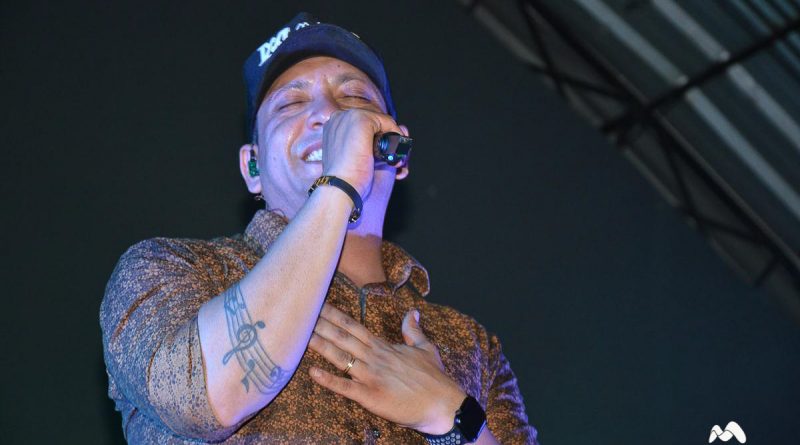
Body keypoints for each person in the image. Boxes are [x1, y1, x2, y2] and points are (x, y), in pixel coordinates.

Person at [100, 12, 539, 444]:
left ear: (399, 151)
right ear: (252, 167)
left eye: (356, 98)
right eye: (290, 104)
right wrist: (340, 183)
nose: (329, 114)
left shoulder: (468, 342)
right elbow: (202, 401)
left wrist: (451, 414)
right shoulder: (171, 268)